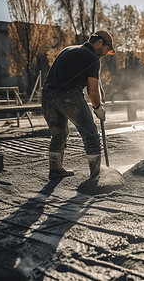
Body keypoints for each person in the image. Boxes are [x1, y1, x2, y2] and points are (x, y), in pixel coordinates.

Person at [42, 30, 115, 182]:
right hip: (68, 95)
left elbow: (93, 83)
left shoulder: (68, 50)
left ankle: (55, 170)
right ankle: (96, 176)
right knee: (91, 134)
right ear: (99, 42)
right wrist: (97, 108)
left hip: (48, 95)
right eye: (107, 49)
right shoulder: (93, 57)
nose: (106, 53)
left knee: (59, 134)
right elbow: (93, 92)